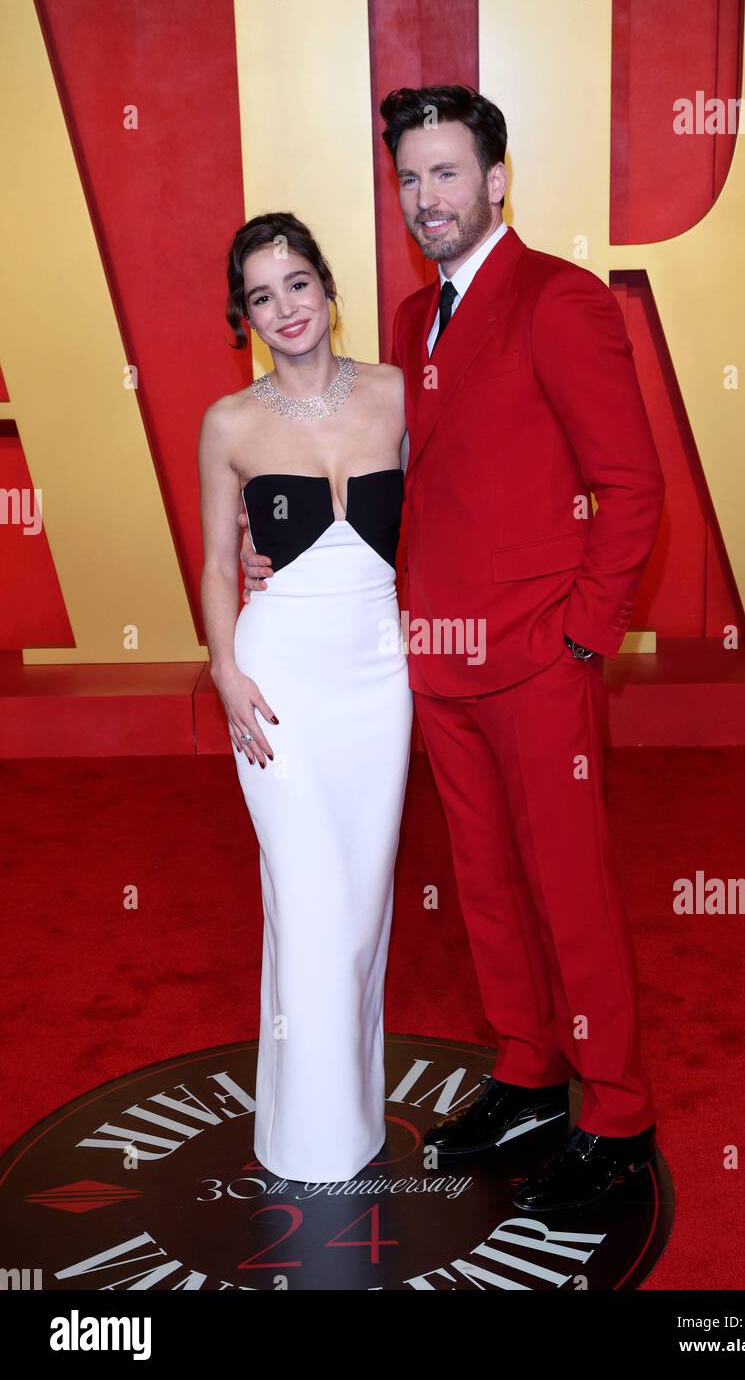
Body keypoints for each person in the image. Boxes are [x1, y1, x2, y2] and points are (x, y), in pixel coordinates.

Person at [240, 85, 666, 1212]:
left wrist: (580, 638)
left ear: (496, 178)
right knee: (482, 885)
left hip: (538, 661)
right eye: (410, 178)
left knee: (568, 886)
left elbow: (631, 487)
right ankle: (529, 1068)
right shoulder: (403, 323)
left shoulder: (560, 301)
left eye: (446, 173)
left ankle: (617, 1113)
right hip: (432, 661)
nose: (427, 197)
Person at [198, 212, 412, 1183]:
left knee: (362, 910)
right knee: (309, 904)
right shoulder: (230, 423)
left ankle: (344, 1125)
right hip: (276, 681)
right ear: (245, 316)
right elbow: (213, 563)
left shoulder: (395, 394)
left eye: (296, 284)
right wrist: (225, 674)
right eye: (261, 296)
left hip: (377, 679)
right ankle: (304, 1144)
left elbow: (450, 515)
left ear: (326, 286)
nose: (284, 308)